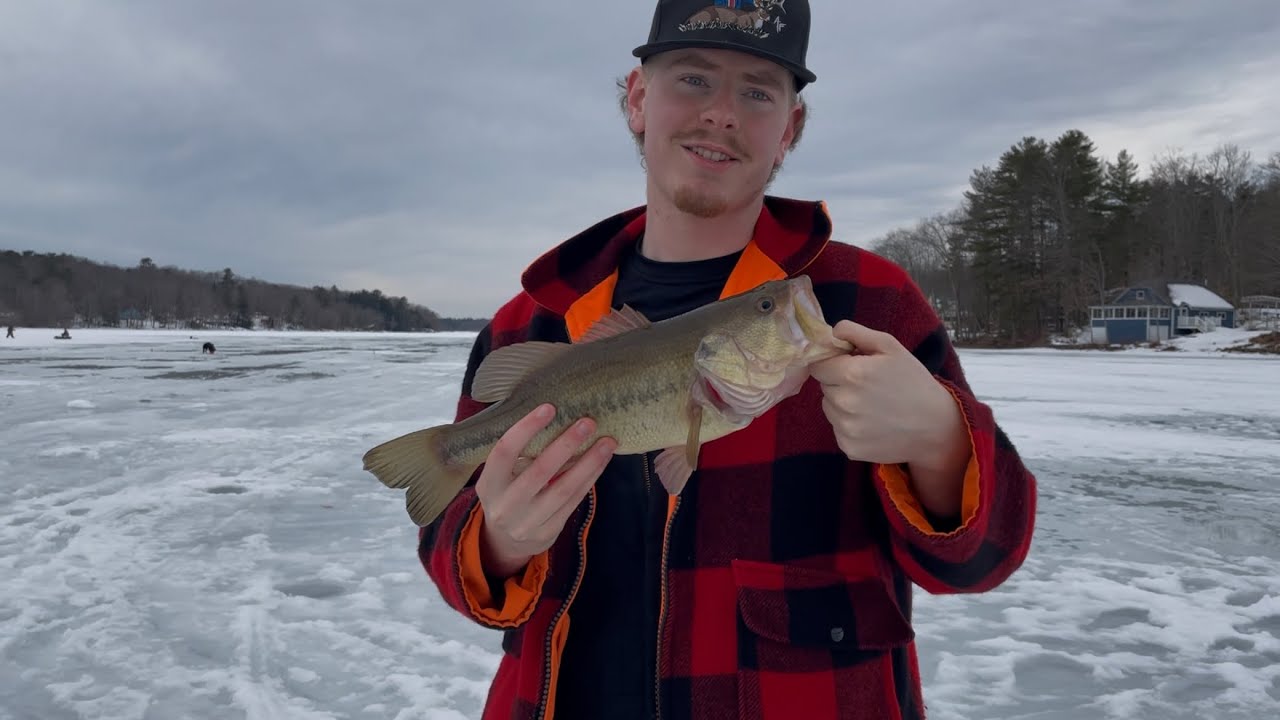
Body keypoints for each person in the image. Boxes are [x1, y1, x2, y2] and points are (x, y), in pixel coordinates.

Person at [415, 2, 1038, 718]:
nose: (721, 114)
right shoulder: (532, 323)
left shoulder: (869, 304)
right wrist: (498, 542)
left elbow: (983, 560)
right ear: (639, 98)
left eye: (757, 90)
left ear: (790, 128)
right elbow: (455, 564)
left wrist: (939, 442)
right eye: (693, 78)